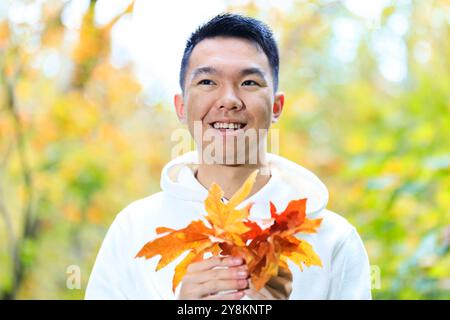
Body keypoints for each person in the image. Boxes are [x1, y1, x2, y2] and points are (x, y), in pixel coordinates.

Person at [85, 13, 372, 300]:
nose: (229, 100)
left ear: (276, 106)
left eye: (248, 83)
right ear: (181, 106)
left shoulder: (334, 239)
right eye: (208, 82)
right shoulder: (133, 229)